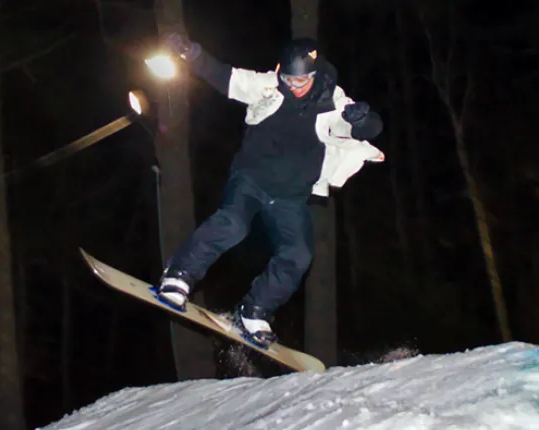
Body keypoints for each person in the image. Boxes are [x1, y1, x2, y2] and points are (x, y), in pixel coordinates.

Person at [156, 33, 385, 347]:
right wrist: (191, 52)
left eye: (302, 80)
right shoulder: (267, 86)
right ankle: (180, 274)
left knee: (299, 254)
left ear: (316, 76)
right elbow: (225, 76)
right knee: (232, 224)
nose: (294, 86)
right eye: (289, 79)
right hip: (251, 181)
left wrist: (362, 119)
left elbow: (368, 128)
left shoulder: (335, 101)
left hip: (291, 198)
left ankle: (254, 309)